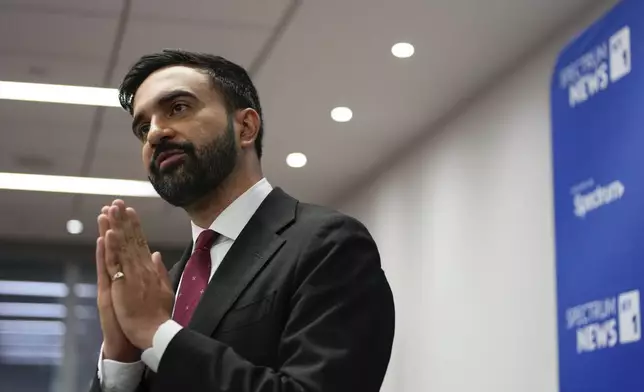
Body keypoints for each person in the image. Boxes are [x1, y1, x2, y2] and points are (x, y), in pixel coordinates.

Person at [89, 49, 395, 392]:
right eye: (143, 127)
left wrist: (158, 335)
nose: (156, 133)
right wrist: (122, 358)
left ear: (245, 127)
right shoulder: (165, 288)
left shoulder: (329, 245)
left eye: (178, 108)